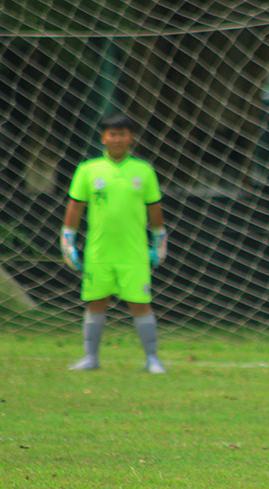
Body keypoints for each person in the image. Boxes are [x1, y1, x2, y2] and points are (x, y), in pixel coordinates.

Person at [61, 114, 169, 373]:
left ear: (131, 137)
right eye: (112, 134)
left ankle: (152, 359)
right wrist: (67, 237)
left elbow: (154, 207)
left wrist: (160, 239)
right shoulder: (88, 170)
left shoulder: (144, 170)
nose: (117, 139)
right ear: (103, 137)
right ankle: (91, 358)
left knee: (140, 303)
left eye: (122, 134)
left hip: (134, 252)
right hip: (99, 251)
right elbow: (76, 205)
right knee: (96, 302)